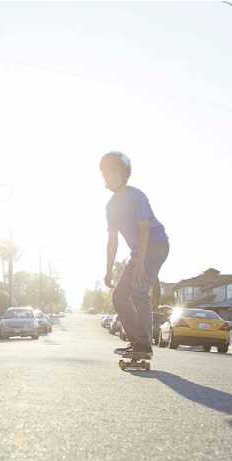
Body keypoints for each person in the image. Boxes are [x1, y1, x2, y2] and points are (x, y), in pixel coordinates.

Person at [100, 152, 169, 357]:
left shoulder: (135, 196)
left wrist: (140, 263)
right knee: (119, 296)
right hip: (138, 251)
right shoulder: (111, 206)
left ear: (124, 174)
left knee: (139, 292)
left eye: (111, 173)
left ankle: (145, 345)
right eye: (104, 174)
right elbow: (112, 241)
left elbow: (144, 229)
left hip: (156, 245)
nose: (107, 178)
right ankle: (136, 342)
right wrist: (108, 270)